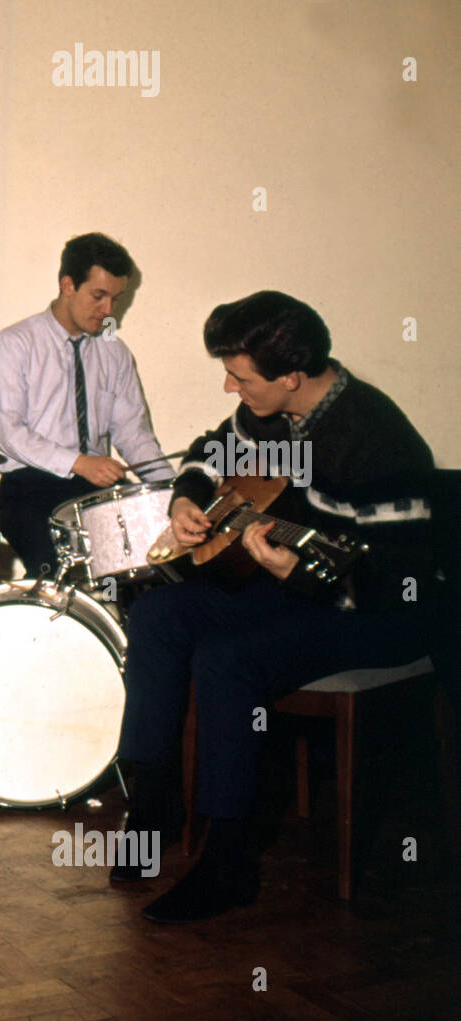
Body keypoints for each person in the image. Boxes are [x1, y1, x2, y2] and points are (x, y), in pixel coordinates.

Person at [116, 292, 435, 922]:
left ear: (291, 377)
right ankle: (153, 807)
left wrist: (308, 578)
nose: (229, 385)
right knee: (157, 616)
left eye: (240, 375)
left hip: (376, 612)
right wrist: (187, 499)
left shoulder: (376, 438)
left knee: (226, 661)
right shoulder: (265, 414)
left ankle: (229, 863)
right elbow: (208, 454)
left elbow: (406, 579)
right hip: (300, 585)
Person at [0, 232, 173, 577]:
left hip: (94, 489)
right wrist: (79, 462)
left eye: (116, 300)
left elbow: (135, 435)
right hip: (29, 489)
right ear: (68, 285)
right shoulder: (15, 344)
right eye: (98, 296)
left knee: (157, 561)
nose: (108, 311)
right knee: (57, 572)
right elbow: (8, 432)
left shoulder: (114, 352)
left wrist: (174, 492)